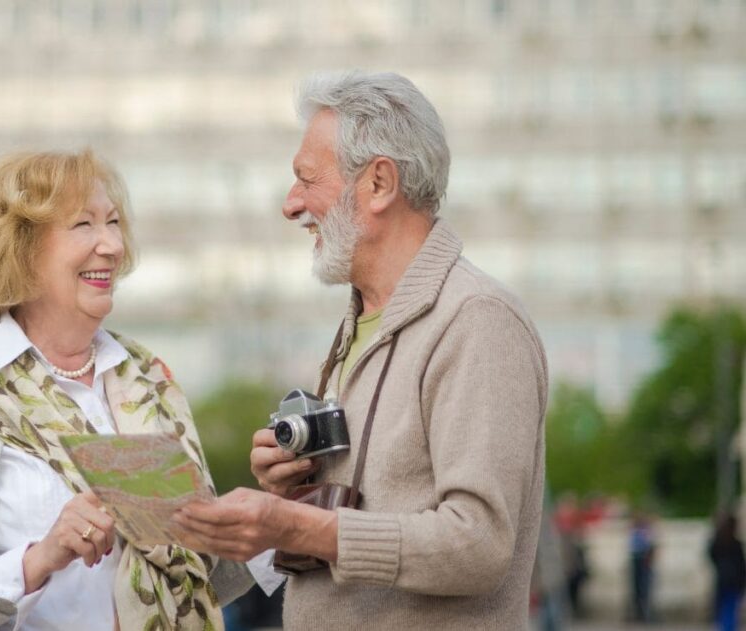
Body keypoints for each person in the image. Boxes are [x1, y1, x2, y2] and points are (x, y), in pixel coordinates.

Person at [173, 71, 548, 629]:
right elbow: (363, 512)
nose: (290, 204)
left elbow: (479, 543)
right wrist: (288, 492)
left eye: (306, 179)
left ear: (378, 184)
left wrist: (297, 525)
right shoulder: (360, 323)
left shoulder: (478, 320)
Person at [0, 150, 254, 630]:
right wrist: (39, 559)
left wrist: (280, 514)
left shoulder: (143, 381)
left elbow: (196, 580)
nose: (113, 245)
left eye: (114, 222)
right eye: (84, 225)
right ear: (19, 248)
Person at [629, 511, 656, 623]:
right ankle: (640, 613)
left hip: (643, 562)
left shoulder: (646, 532)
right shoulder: (637, 532)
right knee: (638, 590)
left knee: (644, 589)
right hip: (639, 561)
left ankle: (644, 614)